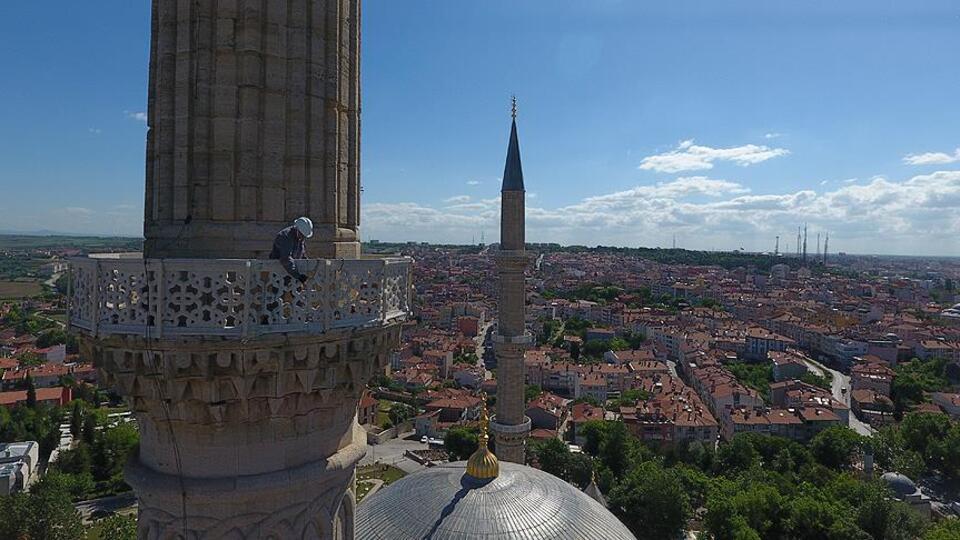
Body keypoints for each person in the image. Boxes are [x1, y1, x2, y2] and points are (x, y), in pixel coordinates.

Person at [270, 217, 313, 283]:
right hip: (280, 272)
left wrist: (308, 264)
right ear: (297, 229)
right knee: (278, 292)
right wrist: (298, 276)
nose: (303, 238)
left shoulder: (300, 237)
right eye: (302, 235)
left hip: (293, 272)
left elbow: (302, 254)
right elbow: (285, 258)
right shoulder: (285, 236)